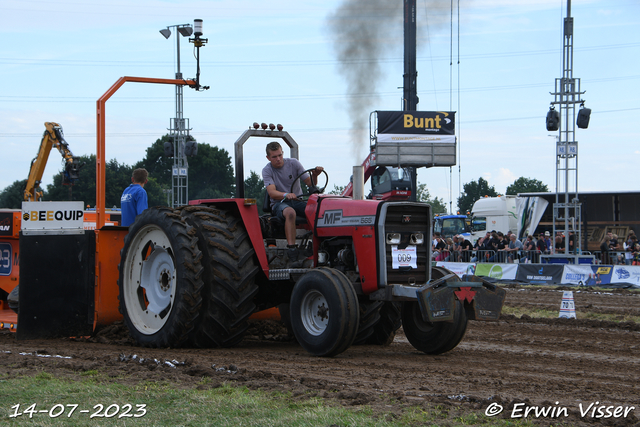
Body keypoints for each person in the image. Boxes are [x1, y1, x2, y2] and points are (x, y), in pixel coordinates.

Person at [262, 141, 323, 262]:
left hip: (297, 200)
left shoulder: (293, 163)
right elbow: (272, 192)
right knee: (290, 213)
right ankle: (292, 249)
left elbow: (311, 183)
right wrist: (285, 194)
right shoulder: (267, 170)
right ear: (268, 158)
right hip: (279, 203)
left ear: (283, 153)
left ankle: (318, 243)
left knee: (317, 210)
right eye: (274, 157)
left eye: (280, 155)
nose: (278, 159)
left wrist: (315, 175)